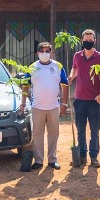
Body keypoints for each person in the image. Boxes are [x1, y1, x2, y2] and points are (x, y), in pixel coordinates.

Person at [20, 42, 69, 170]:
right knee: (38, 134)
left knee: (54, 134)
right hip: (37, 107)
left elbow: (65, 85)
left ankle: (52, 159)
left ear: (51, 53)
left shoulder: (58, 66)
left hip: (53, 106)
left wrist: (64, 103)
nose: (45, 53)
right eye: (42, 51)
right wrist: (23, 102)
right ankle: (39, 160)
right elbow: (25, 85)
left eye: (47, 51)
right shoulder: (32, 67)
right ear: (37, 53)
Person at [68, 29, 100, 167]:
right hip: (79, 99)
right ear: (82, 41)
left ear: (94, 41)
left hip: (94, 100)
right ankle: (82, 155)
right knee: (80, 130)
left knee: (95, 130)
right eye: (86, 40)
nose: (88, 42)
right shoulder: (77, 56)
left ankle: (94, 156)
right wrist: (71, 76)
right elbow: (75, 68)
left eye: (90, 41)